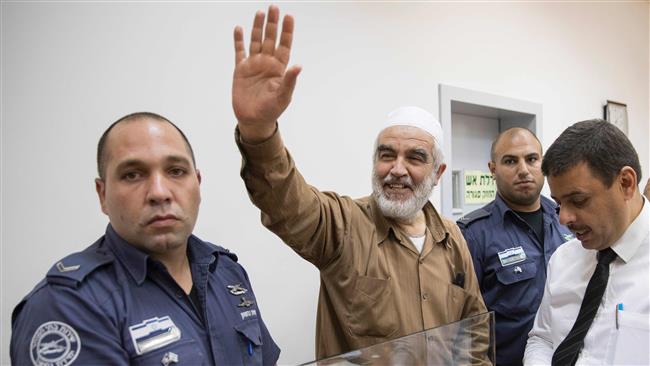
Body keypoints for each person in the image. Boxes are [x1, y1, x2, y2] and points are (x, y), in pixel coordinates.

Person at [232, 5, 487, 360]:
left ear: (437, 173)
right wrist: (258, 131)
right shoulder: (343, 225)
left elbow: (473, 329)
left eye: (414, 157)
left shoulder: (452, 238)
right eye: (386, 155)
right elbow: (285, 201)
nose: (397, 169)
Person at [10, 112, 280, 366]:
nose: (159, 193)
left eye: (176, 171)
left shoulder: (227, 273)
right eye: (132, 175)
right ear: (102, 194)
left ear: (197, 183)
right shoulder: (68, 305)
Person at [524, 119, 649, 365]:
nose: (563, 218)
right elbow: (543, 338)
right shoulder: (563, 259)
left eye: (578, 200)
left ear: (625, 183)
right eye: (559, 203)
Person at [457, 128, 573, 366]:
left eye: (532, 159)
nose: (523, 170)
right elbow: (463, 324)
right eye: (510, 161)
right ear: (492, 169)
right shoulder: (473, 234)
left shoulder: (569, 220)